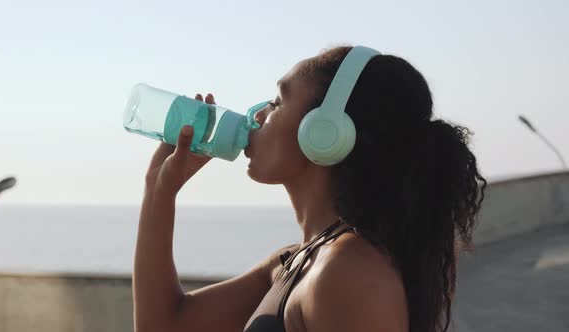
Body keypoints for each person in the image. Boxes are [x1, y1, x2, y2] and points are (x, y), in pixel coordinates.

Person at [132, 45, 487, 332]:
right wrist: (158, 191)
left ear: (323, 133)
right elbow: (163, 324)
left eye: (277, 102)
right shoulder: (298, 261)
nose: (256, 116)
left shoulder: (349, 273)